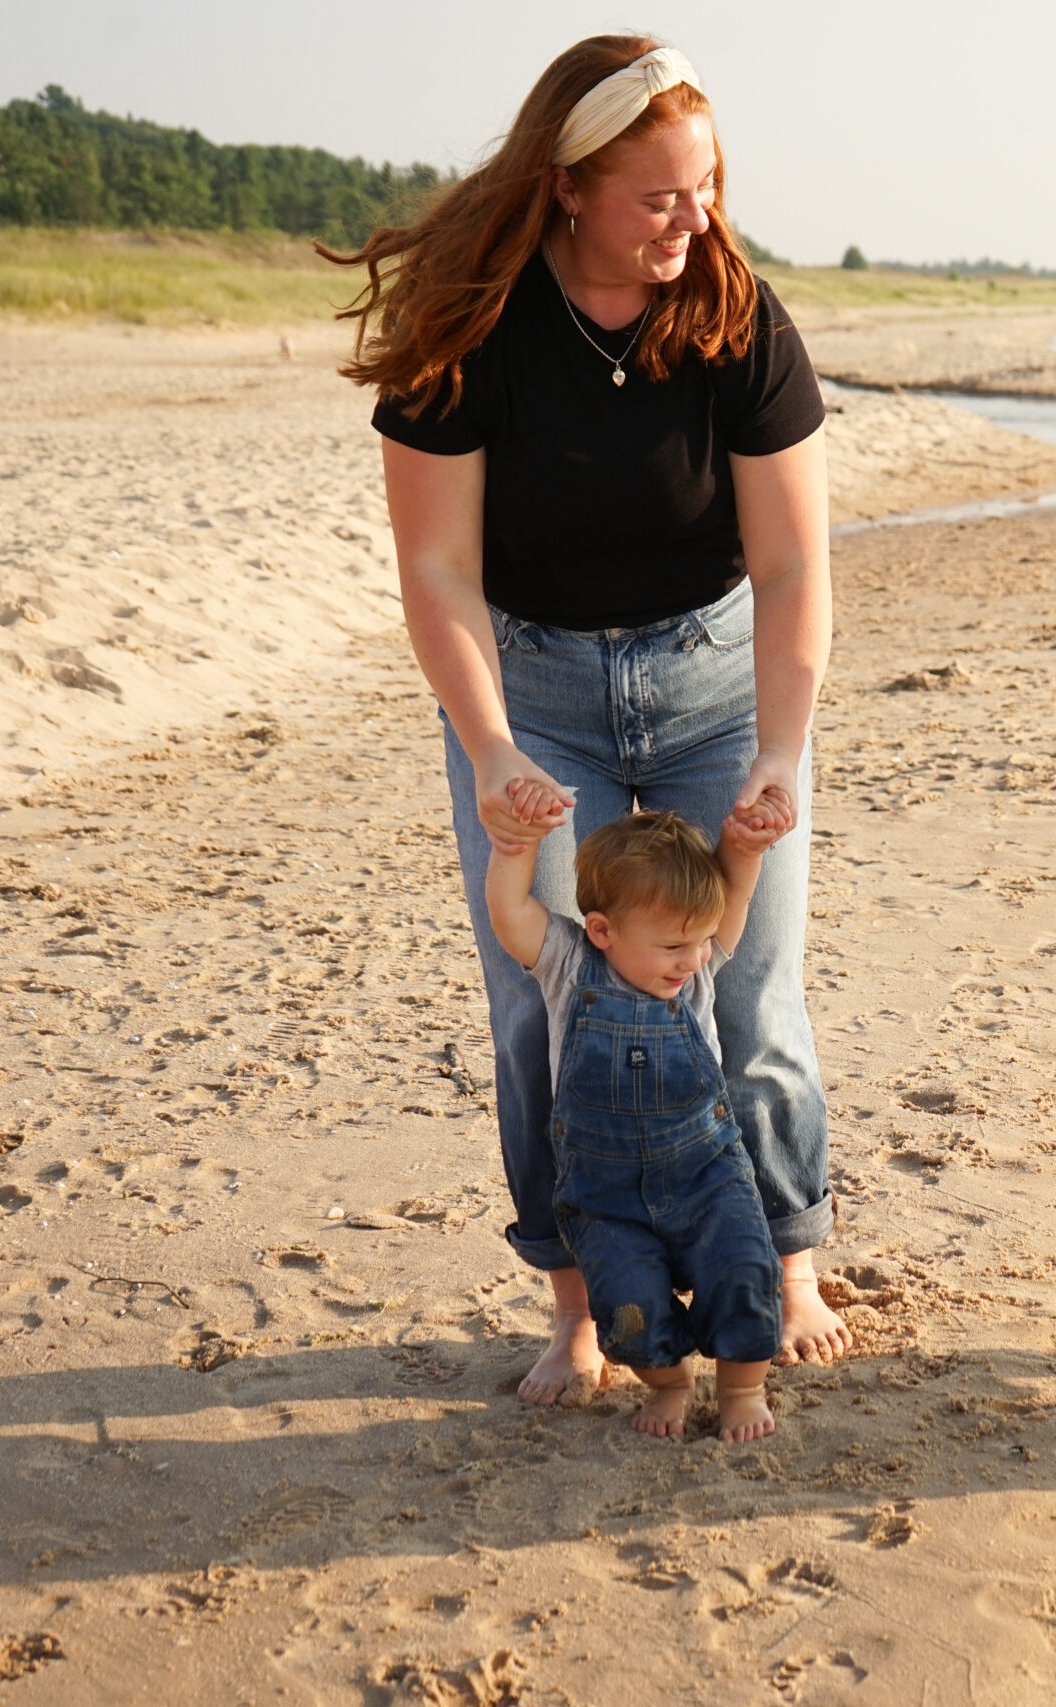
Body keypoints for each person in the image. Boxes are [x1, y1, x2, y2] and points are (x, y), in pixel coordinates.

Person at [329, 35, 851, 1405]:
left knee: (745, 981)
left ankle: (786, 1258)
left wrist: (782, 751)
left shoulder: (738, 311)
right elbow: (437, 570)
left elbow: (794, 565)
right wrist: (494, 746)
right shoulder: (472, 328)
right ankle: (575, 1302)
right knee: (540, 1000)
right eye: (660, 197)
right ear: (568, 188)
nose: (697, 220)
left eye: (710, 186)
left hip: (717, 685)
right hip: (533, 691)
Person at [484, 792, 789, 1442]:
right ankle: (670, 1383)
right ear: (602, 931)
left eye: (703, 941)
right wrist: (516, 847)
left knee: (745, 1273)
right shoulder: (569, 966)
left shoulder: (696, 974)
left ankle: (743, 1388)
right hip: (605, 1195)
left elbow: (730, 900)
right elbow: (509, 912)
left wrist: (745, 847)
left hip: (707, 1173)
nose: (695, 959)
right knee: (627, 1308)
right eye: (675, 944)